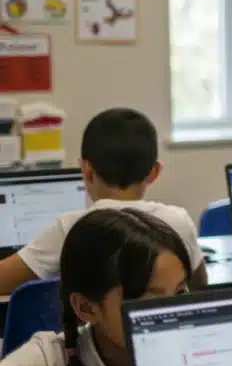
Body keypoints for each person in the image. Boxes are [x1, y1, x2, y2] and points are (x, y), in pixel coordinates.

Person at [0, 209, 192, 366]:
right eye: (149, 300)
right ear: (86, 308)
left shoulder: (201, 349)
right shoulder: (52, 359)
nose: (172, 313)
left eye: (180, 292)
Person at [0, 107, 206, 294]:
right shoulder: (179, 220)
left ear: (86, 171)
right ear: (155, 172)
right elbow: (200, 287)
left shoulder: (74, 226)